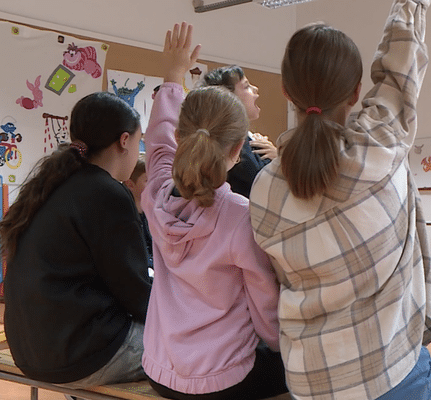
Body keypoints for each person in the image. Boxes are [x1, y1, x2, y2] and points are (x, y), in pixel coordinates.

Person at [249, 1, 431, 399]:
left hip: (307, 378)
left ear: (286, 92)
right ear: (356, 92)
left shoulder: (265, 188)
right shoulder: (380, 146)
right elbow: (400, 65)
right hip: (387, 371)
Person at [141, 22, 287, 400]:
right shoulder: (240, 215)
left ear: (180, 138)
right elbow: (265, 306)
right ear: (240, 150)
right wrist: (279, 343)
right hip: (222, 381)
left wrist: (173, 76)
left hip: (160, 371)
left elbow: (157, 142)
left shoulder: (154, 194)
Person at [0, 92, 152, 388]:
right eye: (138, 141)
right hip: (76, 355)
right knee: (193, 351)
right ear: (124, 141)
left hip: (29, 350)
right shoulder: (108, 192)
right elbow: (134, 292)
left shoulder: (52, 182)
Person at [201, 65, 277, 198]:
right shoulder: (230, 141)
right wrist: (279, 159)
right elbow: (265, 184)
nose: (255, 89)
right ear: (229, 99)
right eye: (246, 86)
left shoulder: (249, 139)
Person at [124, 158, 153, 271]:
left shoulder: (149, 212)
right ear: (130, 184)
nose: (152, 184)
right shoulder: (127, 217)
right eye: (147, 180)